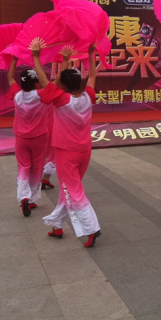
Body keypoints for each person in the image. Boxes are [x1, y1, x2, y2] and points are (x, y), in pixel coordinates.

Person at [33, 43, 102, 248]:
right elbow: (92, 76)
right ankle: (56, 223)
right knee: (68, 190)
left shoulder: (62, 99)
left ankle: (91, 228)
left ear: (62, 85)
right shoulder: (88, 96)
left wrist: (35, 56)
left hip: (66, 152)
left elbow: (45, 81)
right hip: (84, 151)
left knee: (73, 191)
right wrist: (91, 54)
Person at [7, 57, 49, 217]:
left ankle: (23, 197)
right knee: (37, 166)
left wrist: (14, 60)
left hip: (21, 138)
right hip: (40, 137)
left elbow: (10, 77)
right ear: (36, 83)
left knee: (23, 167)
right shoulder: (41, 95)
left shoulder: (17, 95)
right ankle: (31, 199)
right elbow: (53, 84)